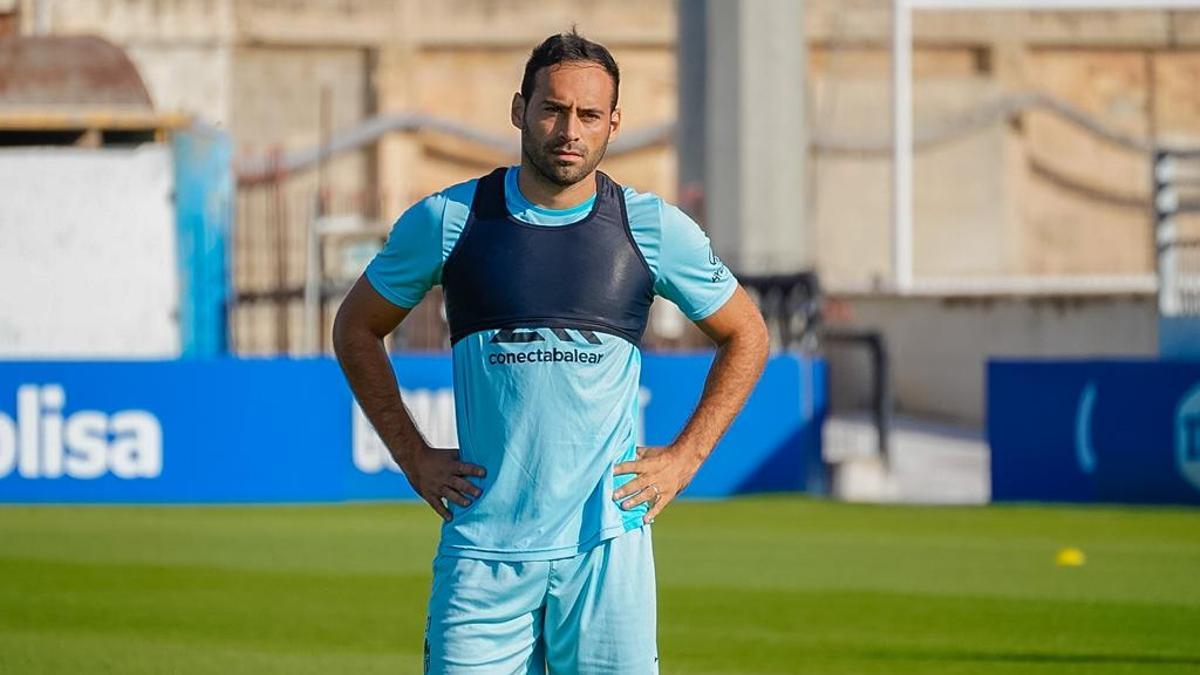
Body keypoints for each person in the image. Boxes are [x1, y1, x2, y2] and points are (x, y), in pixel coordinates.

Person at [332, 28, 768, 675]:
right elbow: (355, 327)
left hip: (606, 553)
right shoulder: (450, 220)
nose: (570, 129)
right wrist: (415, 457)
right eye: (553, 108)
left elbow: (748, 334)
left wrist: (683, 459)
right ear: (520, 110)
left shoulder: (648, 227)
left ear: (613, 123)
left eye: (589, 114)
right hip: (484, 553)